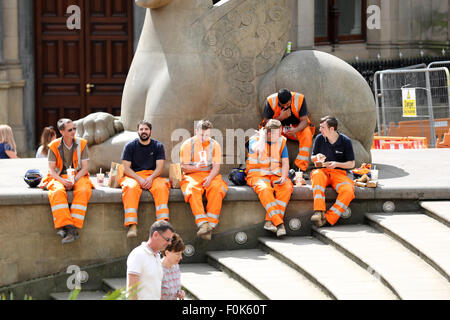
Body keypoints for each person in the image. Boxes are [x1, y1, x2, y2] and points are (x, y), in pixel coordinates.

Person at [40, 118, 93, 244]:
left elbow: (85, 168)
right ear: (62, 131)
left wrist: (74, 180)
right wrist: (63, 181)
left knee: (84, 190)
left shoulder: (82, 143)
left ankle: (71, 228)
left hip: (78, 176)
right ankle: (68, 227)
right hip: (58, 177)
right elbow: (52, 171)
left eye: (74, 129)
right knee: (57, 191)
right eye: (70, 130)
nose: (73, 132)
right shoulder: (53, 146)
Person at [120, 120, 171, 238]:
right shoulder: (130, 146)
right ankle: (132, 225)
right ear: (138, 131)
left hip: (153, 175)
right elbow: (126, 168)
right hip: (133, 175)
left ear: (150, 131)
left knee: (162, 188)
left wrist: (151, 178)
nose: (144, 132)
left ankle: (162, 225)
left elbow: (160, 167)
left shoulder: (158, 146)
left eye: (146, 129)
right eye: (141, 129)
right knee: (130, 188)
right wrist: (139, 179)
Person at [180, 120, 228, 240]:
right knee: (191, 189)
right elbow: (183, 167)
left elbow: (217, 167)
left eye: (207, 135)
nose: (204, 138)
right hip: (192, 175)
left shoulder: (215, 145)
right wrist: (196, 167)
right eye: (201, 135)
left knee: (217, 189)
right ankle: (203, 223)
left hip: (210, 174)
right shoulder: (187, 144)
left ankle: (209, 227)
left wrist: (210, 177)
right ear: (196, 132)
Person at [246, 119, 293, 237]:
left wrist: (283, 176)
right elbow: (259, 149)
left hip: (276, 174)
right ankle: (279, 224)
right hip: (257, 174)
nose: (279, 136)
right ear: (268, 133)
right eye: (276, 134)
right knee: (265, 189)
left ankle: (269, 221)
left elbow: (285, 162)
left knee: (286, 187)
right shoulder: (255, 139)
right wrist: (262, 136)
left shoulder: (282, 141)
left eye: (280, 133)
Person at [310, 116, 356, 227]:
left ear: (332, 129)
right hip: (322, 171)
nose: (320, 130)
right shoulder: (319, 139)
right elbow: (312, 158)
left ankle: (327, 218)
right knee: (316, 175)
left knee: (348, 190)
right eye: (320, 127)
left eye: (322, 127)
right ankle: (318, 211)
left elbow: (352, 164)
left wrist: (336, 164)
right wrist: (317, 158)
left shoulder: (345, 141)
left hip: (339, 173)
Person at [261, 88, 315, 175]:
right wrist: (281, 117)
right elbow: (266, 123)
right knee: (265, 132)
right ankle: (272, 165)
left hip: (296, 128)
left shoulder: (300, 98)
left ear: (291, 99)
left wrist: (295, 130)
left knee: (307, 133)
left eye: (288, 104)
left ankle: (301, 169)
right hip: (278, 128)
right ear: (279, 101)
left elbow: (304, 121)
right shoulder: (271, 100)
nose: (285, 107)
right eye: (283, 105)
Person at [126, 220, 174, 300]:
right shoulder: (138, 254)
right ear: (155, 235)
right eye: (167, 239)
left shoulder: (157, 256)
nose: (169, 243)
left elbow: (156, 290)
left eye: (170, 240)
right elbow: (132, 290)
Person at [161, 232, 186, 300]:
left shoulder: (176, 267)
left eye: (181, 254)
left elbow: (176, 289)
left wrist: (180, 293)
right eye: (177, 254)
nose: (181, 257)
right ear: (167, 253)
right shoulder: (158, 270)